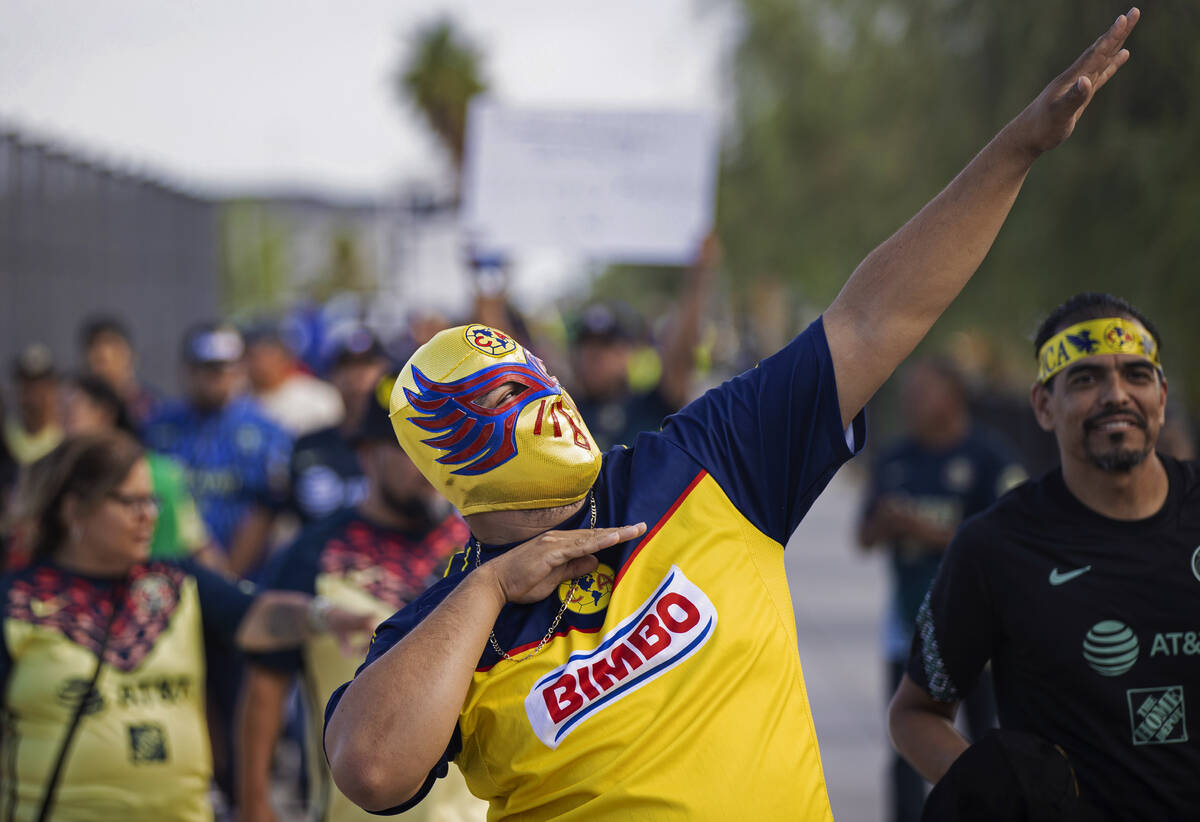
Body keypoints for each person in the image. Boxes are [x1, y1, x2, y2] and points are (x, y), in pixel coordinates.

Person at [324, 12, 1140, 820]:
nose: (544, 397)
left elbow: (872, 319)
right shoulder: (450, 617)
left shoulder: (705, 458)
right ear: (445, 451)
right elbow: (371, 767)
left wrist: (1019, 147)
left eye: (540, 377)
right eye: (505, 393)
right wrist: (496, 586)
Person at [889, 291, 1199, 820]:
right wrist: (989, 786)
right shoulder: (995, 547)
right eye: (1085, 379)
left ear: (1162, 396)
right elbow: (915, 713)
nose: (1116, 395)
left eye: (1137, 376)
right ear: (1043, 405)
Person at [0, 431, 373, 821]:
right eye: (131, 502)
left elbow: (259, 616)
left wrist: (325, 616)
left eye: (152, 500)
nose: (149, 515)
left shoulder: (177, 582)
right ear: (74, 510)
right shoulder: (17, 601)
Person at [238, 386, 484, 822]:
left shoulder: (482, 544)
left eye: (441, 443)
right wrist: (255, 800)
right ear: (367, 455)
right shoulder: (312, 552)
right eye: (413, 447)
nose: (431, 464)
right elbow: (265, 683)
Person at [859, 358, 1024, 822]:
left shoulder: (991, 459)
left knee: (986, 737)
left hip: (982, 631)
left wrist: (924, 529)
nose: (910, 402)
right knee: (906, 739)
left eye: (922, 392)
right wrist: (885, 525)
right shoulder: (894, 459)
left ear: (953, 396)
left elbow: (1011, 543)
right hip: (908, 625)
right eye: (907, 394)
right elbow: (863, 538)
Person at [144, 322, 292, 577]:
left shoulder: (266, 430)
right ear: (187, 370)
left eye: (223, 368)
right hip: (168, 573)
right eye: (205, 368)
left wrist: (225, 580)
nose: (215, 378)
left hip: (244, 577)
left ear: (239, 369)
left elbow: (264, 510)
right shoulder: (159, 426)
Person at [569, 237, 719, 451]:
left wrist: (698, 280)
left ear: (630, 351)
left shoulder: (651, 405)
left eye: (607, 345)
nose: (595, 355)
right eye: (587, 345)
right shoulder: (562, 413)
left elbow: (681, 359)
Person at [64, 374, 211, 563]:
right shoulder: (58, 473)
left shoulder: (163, 474)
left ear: (103, 415)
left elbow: (198, 545)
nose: (147, 515)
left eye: (67, 412)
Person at [284, 324, 390, 525]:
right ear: (331, 375)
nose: (357, 377)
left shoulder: (404, 445)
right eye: (347, 366)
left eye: (367, 365)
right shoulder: (308, 445)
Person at [245, 322, 344, 438]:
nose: (261, 364)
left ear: (284, 356)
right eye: (253, 356)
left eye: (268, 354)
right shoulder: (237, 401)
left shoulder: (320, 396)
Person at [78, 315, 161, 428]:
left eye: (115, 356)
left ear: (132, 357)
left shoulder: (150, 409)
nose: (104, 369)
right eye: (98, 360)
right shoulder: (77, 412)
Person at [4, 344, 63, 466]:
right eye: (27, 388)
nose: (34, 397)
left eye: (42, 388)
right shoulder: (5, 435)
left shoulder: (67, 436)